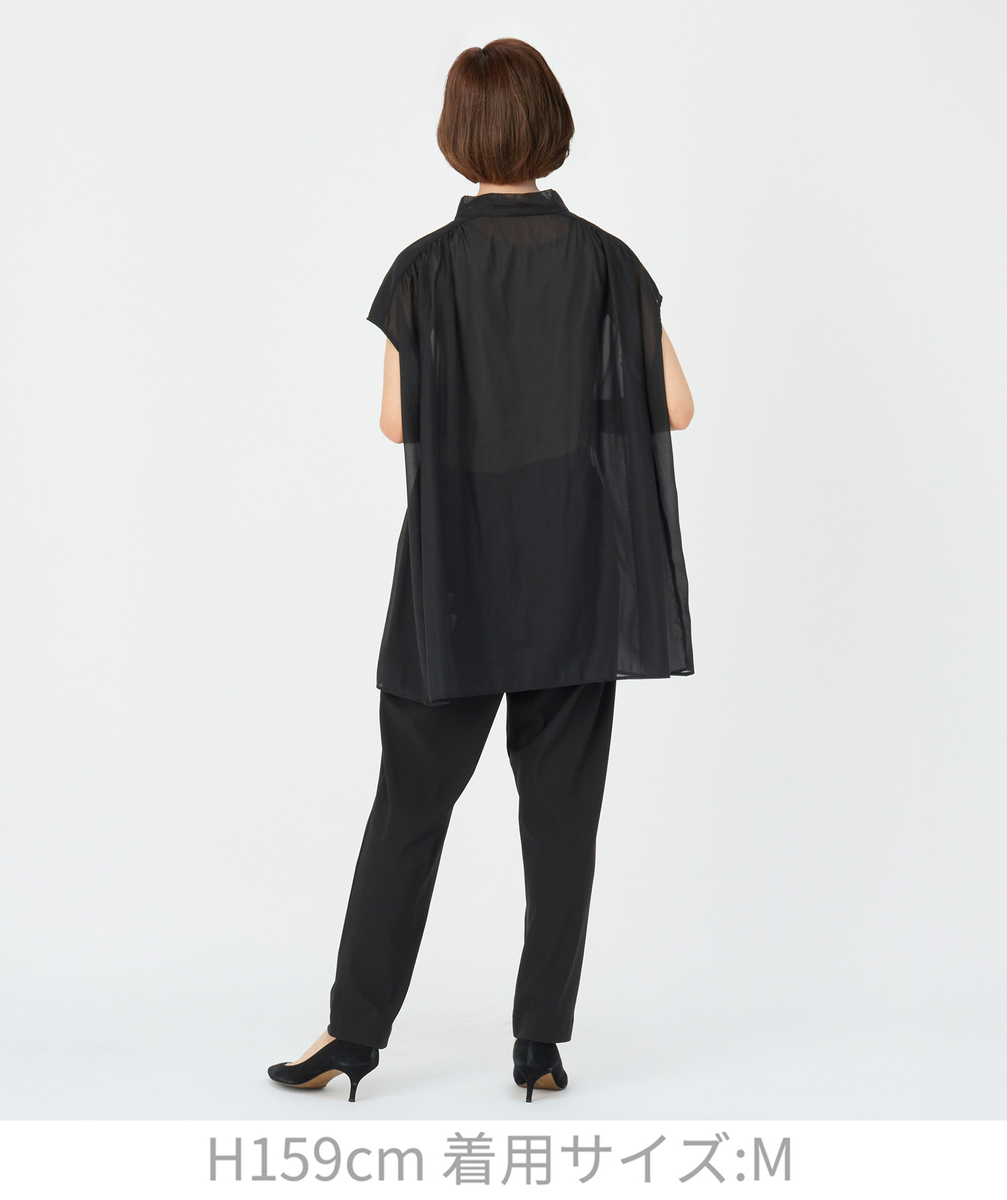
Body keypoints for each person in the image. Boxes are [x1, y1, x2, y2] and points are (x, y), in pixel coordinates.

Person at [268, 37, 694, 1103]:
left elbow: (395, 423)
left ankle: (352, 1036)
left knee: (408, 809)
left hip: (454, 578)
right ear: (553, 128)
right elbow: (678, 407)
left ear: (456, 139)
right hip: (575, 574)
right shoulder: (609, 262)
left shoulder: (424, 269)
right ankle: (540, 1046)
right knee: (561, 820)